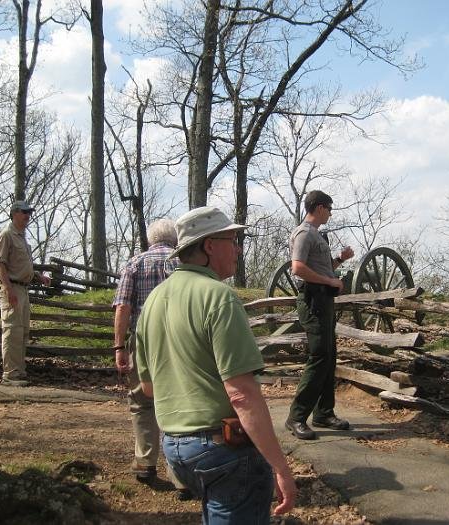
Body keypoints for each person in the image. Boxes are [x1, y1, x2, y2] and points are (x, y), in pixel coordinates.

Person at [136, 206, 296, 523]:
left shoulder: (153, 300)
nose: (237, 248)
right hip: (222, 450)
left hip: (175, 449)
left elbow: (149, 387)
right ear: (209, 245)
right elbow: (241, 395)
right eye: (232, 239)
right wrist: (280, 466)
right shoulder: (219, 297)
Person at [112, 219, 179, 482]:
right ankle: (179, 472)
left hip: (143, 340)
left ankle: (145, 462)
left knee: (141, 401)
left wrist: (119, 345)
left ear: (150, 239)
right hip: (178, 341)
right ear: (174, 239)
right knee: (178, 401)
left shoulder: (134, 264)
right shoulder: (182, 264)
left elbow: (123, 307)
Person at [285, 190, 354, 440]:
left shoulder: (316, 236)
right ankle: (296, 417)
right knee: (319, 357)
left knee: (329, 356)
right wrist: (330, 281)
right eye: (329, 208)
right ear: (320, 207)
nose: (331, 213)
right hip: (313, 300)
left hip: (323, 300)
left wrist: (339, 260)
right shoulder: (304, 233)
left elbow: (320, 268)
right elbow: (298, 268)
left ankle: (324, 412)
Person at [0, 200, 50, 386]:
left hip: (22, 288)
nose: (28, 216)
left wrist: (37, 276)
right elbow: (0, 265)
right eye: (24, 212)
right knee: (12, 330)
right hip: (11, 288)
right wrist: (9, 290)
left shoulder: (21, 237)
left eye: (29, 212)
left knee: (22, 331)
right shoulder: (6, 235)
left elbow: (21, 266)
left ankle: (18, 372)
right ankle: (10, 375)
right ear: (14, 213)